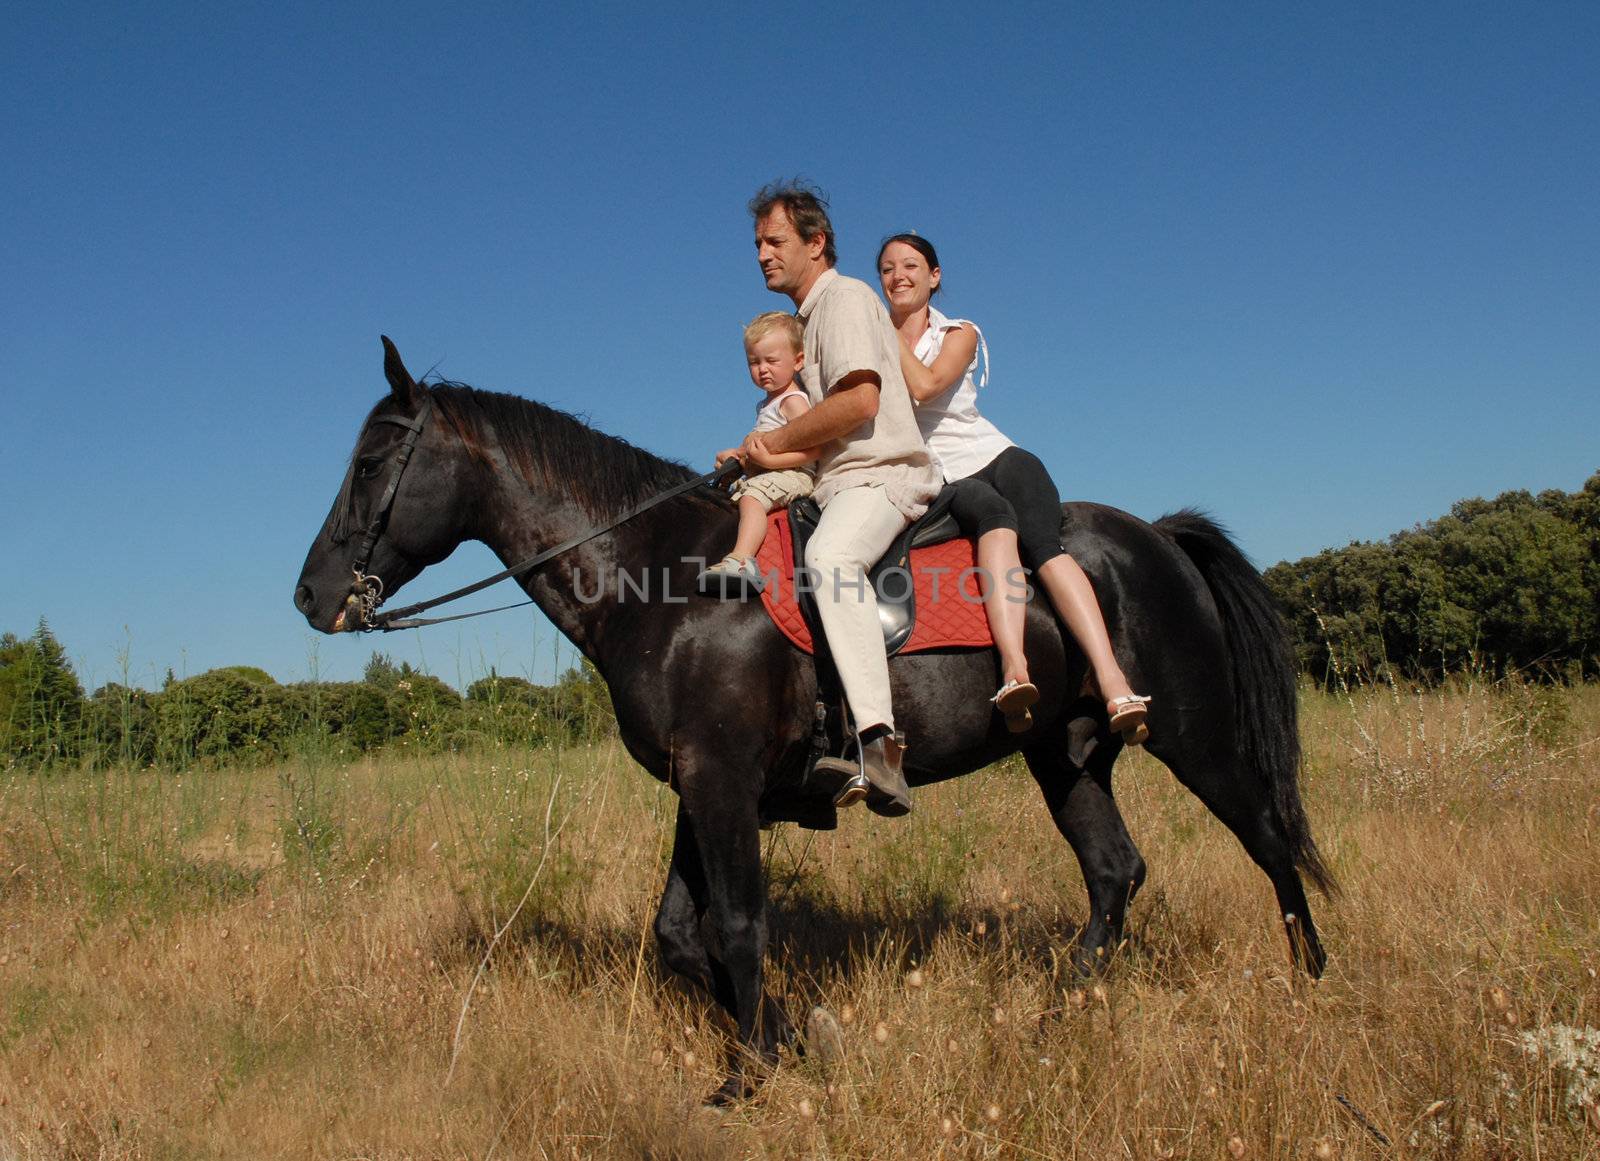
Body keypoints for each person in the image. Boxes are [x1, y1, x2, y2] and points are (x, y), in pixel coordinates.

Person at [878, 233, 1152, 743]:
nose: (899, 276)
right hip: (940, 478)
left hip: (997, 460)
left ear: (934, 277)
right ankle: (1014, 669)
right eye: (888, 268)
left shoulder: (959, 332)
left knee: (1045, 550)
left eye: (911, 266)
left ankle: (1112, 678)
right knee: (991, 531)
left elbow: (925, 386)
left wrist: (884, 332)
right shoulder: (868, 342)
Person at [742, 182, 943, 815]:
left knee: (829, 560)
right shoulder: (807, 319)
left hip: (879, 476)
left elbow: (859, 402)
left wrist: (773, 447)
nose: (763, 255)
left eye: (776, 242)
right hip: (833, 481)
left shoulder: (847, 298)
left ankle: (880, 745)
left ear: (816, 243)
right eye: (758, 245)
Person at [699, 312, 819, 596]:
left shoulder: (793, 401)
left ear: (798, 361)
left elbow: (814, 449)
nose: (762, 369)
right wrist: (737, 456)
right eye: (754, 362)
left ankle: (742, 560)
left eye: (772, 361)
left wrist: (768, 462)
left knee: (752, 498)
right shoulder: (767, 404)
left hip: (796, 474)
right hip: (773, 472)